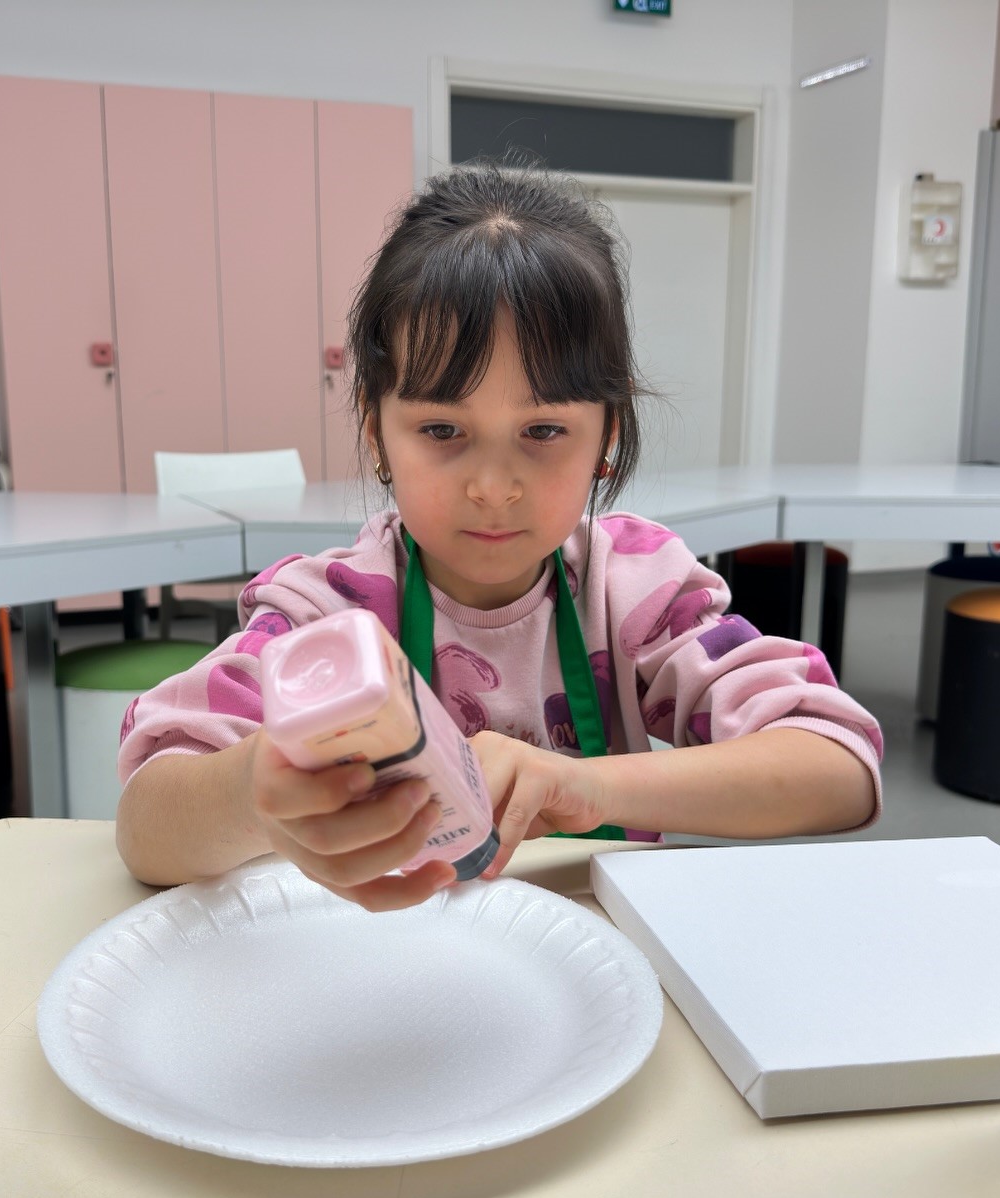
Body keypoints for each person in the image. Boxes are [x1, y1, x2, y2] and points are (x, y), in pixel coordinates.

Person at [117, 162, 882, 911]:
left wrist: (586, 784)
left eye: (543, 430)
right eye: (441, 429)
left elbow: (838, 763)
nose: (492, 485)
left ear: (607, 435)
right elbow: (146, 827)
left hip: (593, 959)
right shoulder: (327, 615)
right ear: (376, 432)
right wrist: (252, 792)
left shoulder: (635, 590)